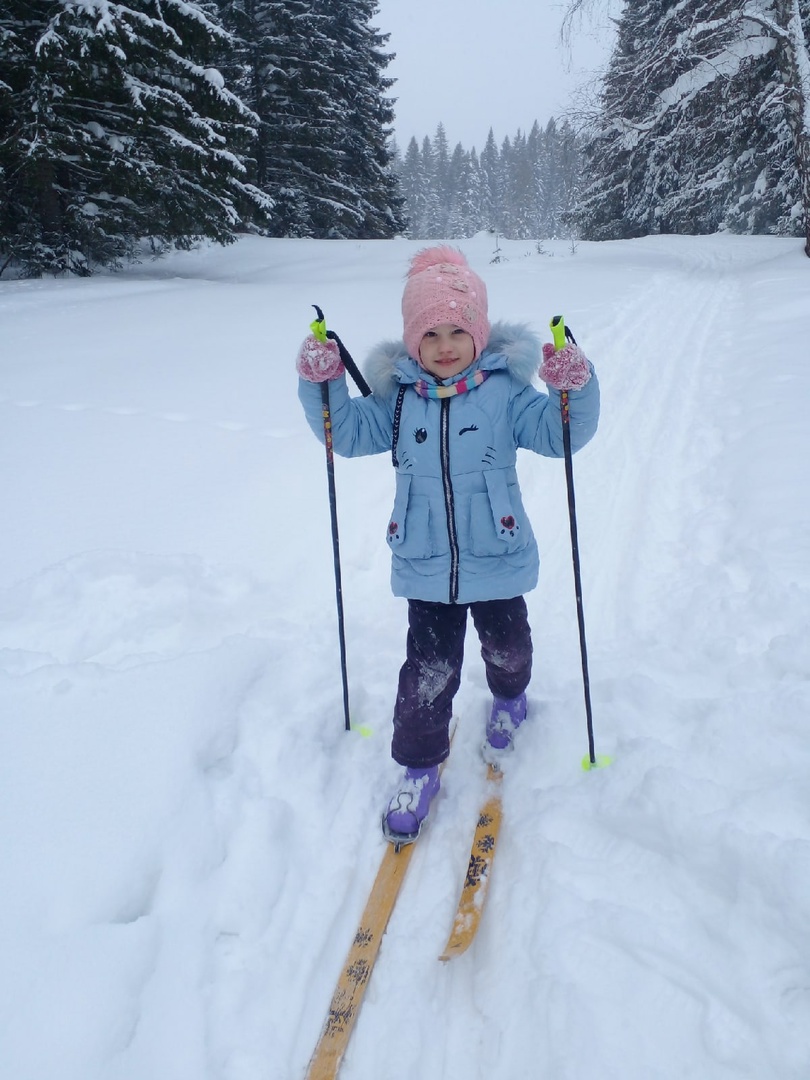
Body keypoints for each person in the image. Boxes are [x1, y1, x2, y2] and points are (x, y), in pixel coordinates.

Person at [296, 246, 600, 844]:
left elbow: (561, 433)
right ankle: (417, 766)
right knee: (427, 672)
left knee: (508, 647)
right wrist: (323, 383)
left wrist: (575, 387)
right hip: (426, 563)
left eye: (458, 329)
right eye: (429, 332)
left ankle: (510, 700)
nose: (444, 345)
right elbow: (346, 434)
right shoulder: (399, 398)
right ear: (412, 340)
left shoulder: (506, 394)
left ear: (479, 333)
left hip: (498, 558)